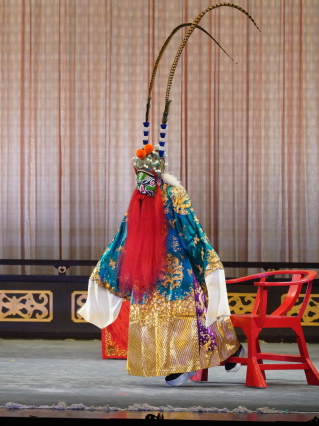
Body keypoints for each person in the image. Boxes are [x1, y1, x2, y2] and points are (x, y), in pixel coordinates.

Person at [78, 143, 242, 387]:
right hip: (148, 269)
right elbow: (125, 234)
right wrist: (106, 265)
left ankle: (190, 362)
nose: (141, 180)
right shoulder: (140, 198)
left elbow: (191, 229)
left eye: (145, 175)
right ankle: (218, 353)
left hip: (177, 267)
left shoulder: (174, 194)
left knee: (185, 312)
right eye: (138, 174)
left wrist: (206, 258)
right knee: (156, 317)